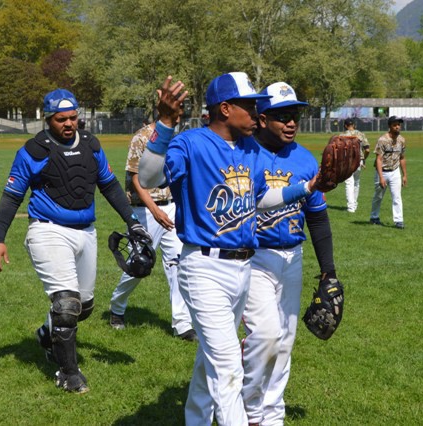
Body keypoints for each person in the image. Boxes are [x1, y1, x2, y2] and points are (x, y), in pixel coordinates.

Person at [138, 73, 324, 426]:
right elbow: (147, 178)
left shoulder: (249, 148)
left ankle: (196, 420)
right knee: (228, 368)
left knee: (210, 361)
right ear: (225, 109)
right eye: (250, 107)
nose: (257, 114)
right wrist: (164, 123)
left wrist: (306, 187)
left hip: (243, 268)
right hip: (204, 267)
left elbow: (258, 199)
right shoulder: (191, 143)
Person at [0, 88, 151, 394]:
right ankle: (68, 373)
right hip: (48, 231)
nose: (68, 124)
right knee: (66, 305)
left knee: (83, 307)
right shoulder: (33, 151)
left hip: (85, 232)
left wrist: (133, 222)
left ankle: (46, 333)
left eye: (73, 117)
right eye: (61, 119)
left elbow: (110, 186)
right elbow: (12, 196)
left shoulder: (91, 145)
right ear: (48, 119)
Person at [242, 82, 339, 425]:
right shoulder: (245, 153)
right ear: (262, 118)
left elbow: (318, 217)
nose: (291, 122)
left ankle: (272, 414)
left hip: (292, 258)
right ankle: (248, 409)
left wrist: (328, 271)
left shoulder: (304, 159)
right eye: (283, 116)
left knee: (284, 341)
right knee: (265, 335)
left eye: (294, 115)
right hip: (254, 258)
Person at [108, 114, 196, 341]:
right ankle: (117, 307)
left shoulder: (177, 137)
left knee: (178, 264)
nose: (179, 115)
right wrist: (155, 211)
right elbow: (135, 179)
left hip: (171, 208)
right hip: (145, 210)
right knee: (139, 264)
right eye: (175, 110)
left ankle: (182, 324)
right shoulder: (142, 137)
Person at [369, 116, 407, 229]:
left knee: (397, 197)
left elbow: (402, 158)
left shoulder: (402, 140)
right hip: (382, 171)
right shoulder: (382, 140)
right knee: (378, 196)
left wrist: (405, 175)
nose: (397, 127)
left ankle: (399, 221)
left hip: (395, 171)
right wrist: (381, 177)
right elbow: (379, 159)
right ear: (390, 126)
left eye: (399, 125)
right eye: (395, 125)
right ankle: (374, 217)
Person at [341, 118, 370, 213]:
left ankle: (351, 207)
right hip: (358, 160)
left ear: (345, 126)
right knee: (356, 183)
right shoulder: (361, 134)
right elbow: (367, 150)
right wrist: (363, 159)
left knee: (349, 183)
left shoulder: (342, 136)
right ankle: (355, 203)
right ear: (354, 125)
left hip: (347, 161)